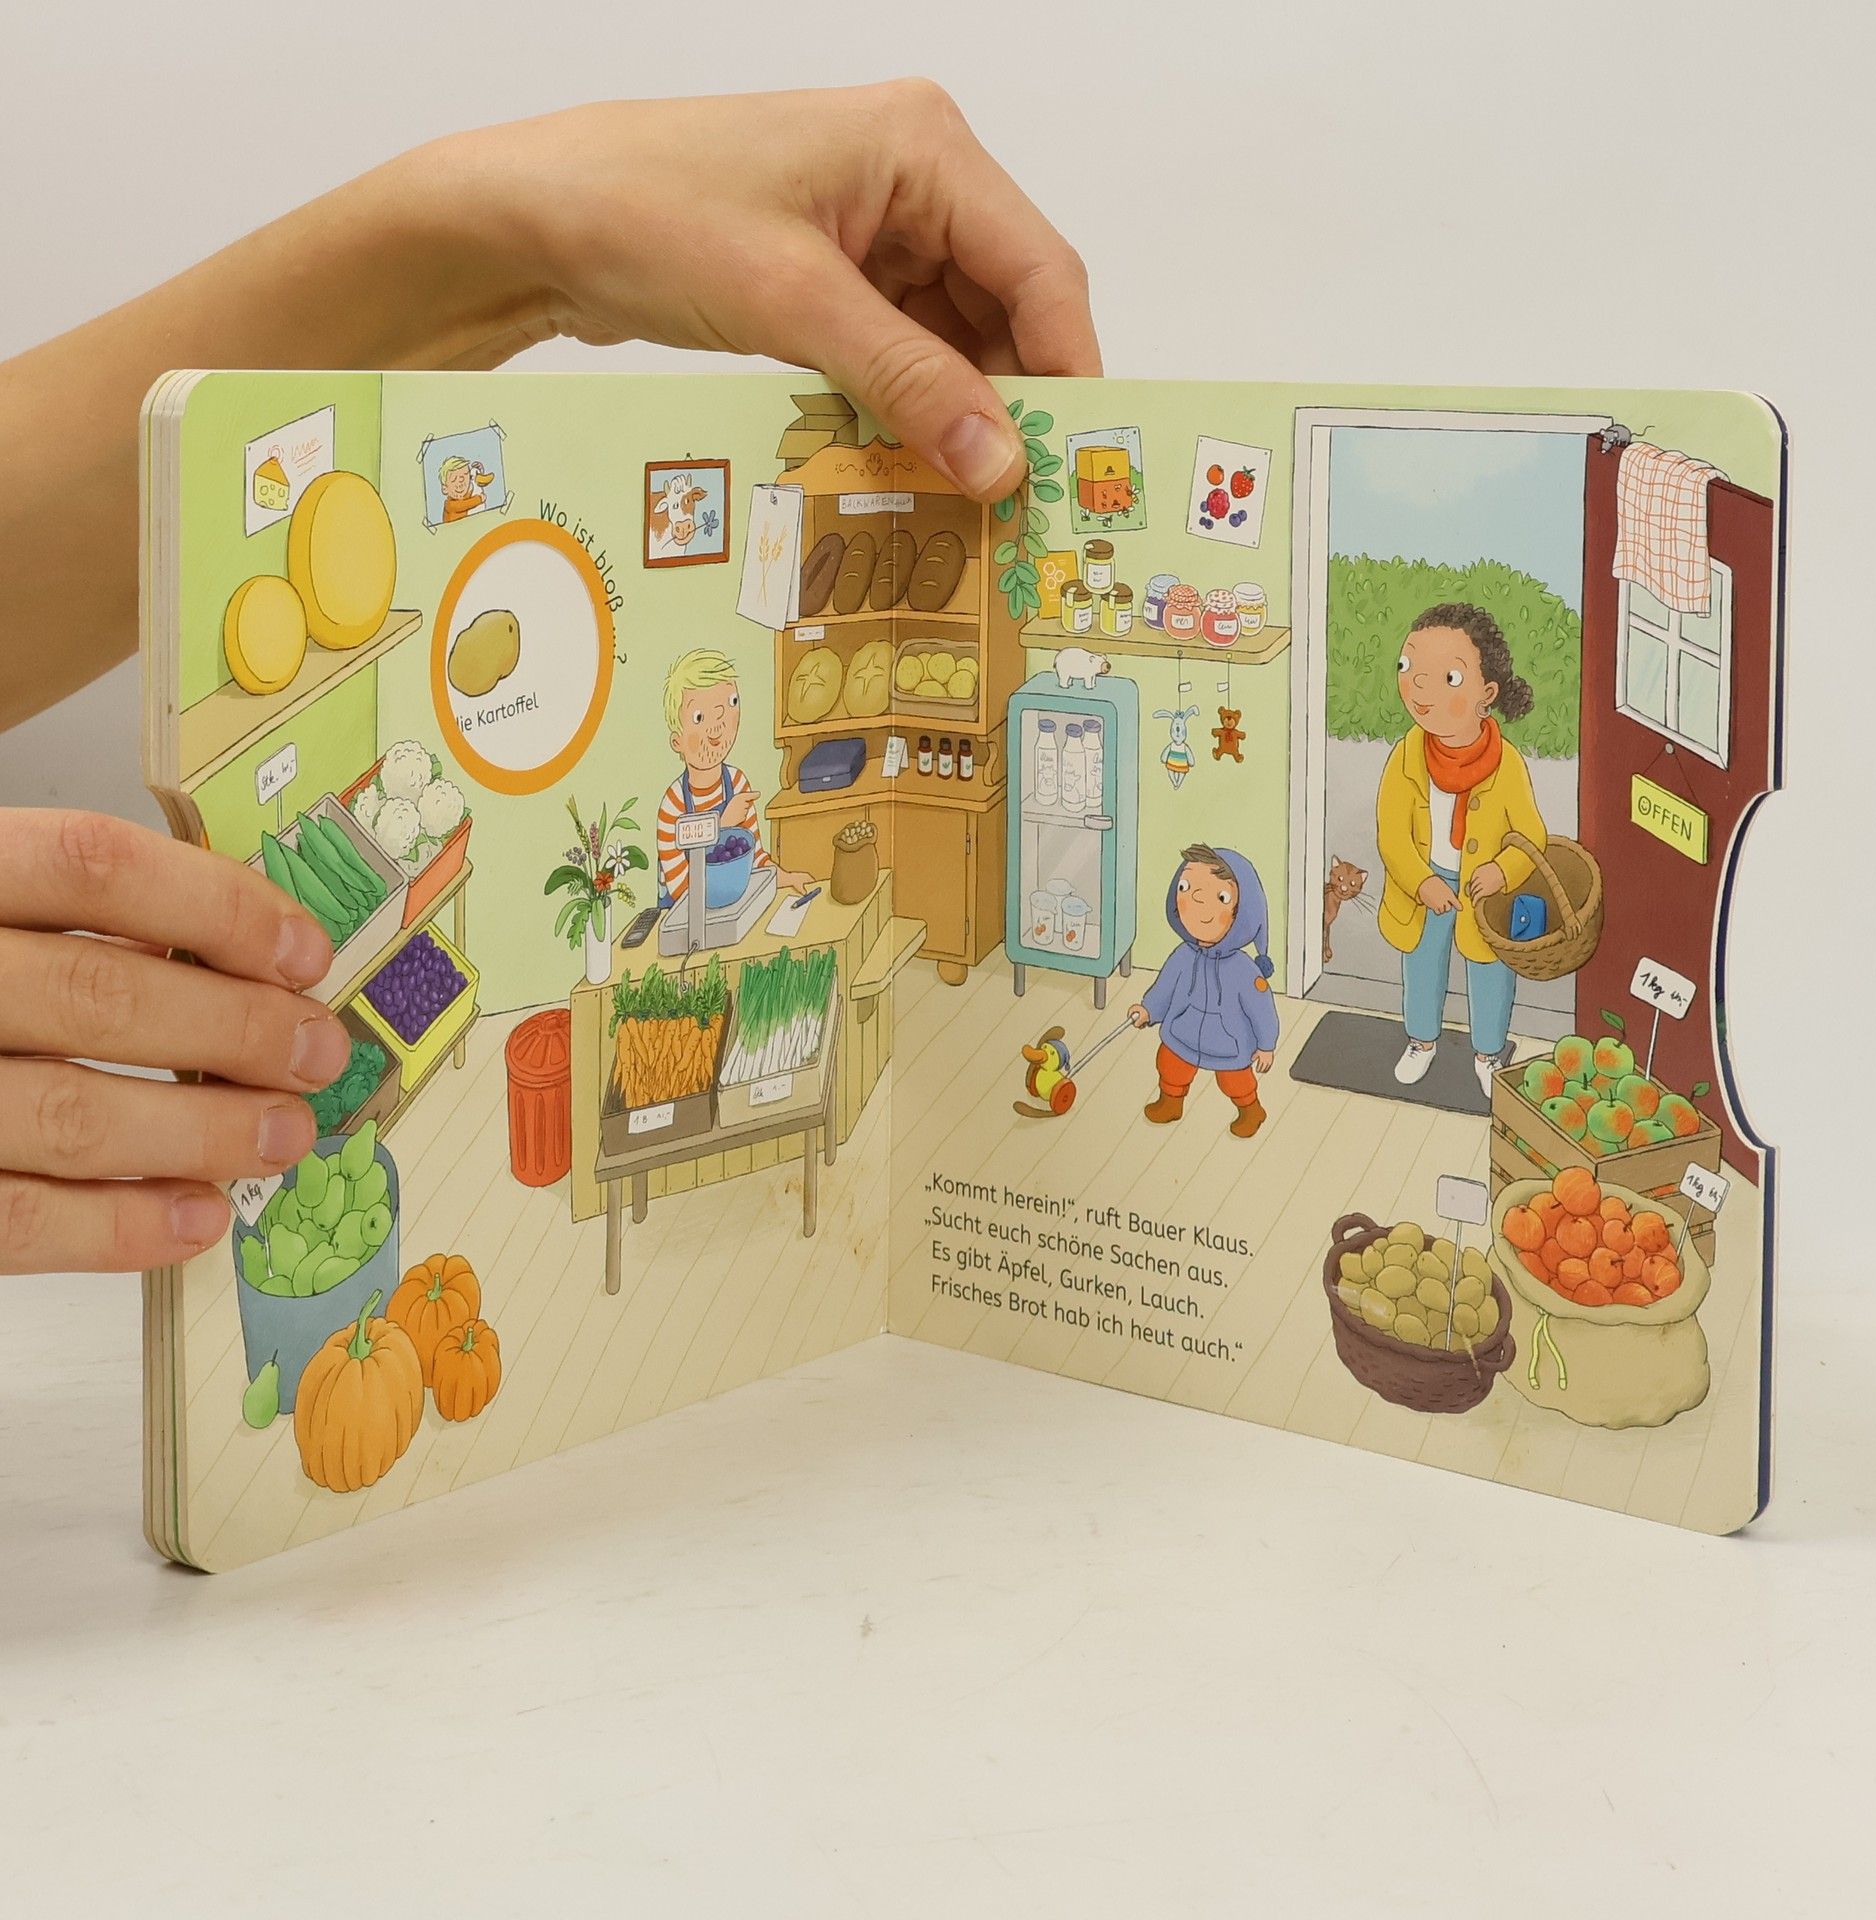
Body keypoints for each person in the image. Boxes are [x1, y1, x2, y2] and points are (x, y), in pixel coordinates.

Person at [0, 83, 1099, 1275]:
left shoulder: (740, 783)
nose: (718, 728)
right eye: (707, 716)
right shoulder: (681, 799)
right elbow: (686, 859)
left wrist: (521, 238)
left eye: (724, 715)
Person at [1375, 603, 1547, 1102]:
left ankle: (1489, 1053)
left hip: (1483, 888)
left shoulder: (1506, 763)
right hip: (1425, 883)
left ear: (1486, 695)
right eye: (1409, 667)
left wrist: (1501, 871)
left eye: (1447, 677)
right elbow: (1391, 834)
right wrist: (1422, 882)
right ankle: (1421, 1041)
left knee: (1490, 969)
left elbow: (1531, 835)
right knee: (1422, 963)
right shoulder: (1406, 755)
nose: (1419, 688)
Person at [1127, 843, 1279, 1139]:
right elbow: (1165, 987)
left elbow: (1262, 1009)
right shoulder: (1183, 956)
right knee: (1170, 1063)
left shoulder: (1244, 970)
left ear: (1243, 911)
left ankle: (1251, 1109)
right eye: (1186, 888)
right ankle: (1171, 1102)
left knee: (1234, 1081)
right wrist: (1148, 1010)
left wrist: (1266, 1045)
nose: (1197, 902)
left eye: (1221, 897)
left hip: (1228, 1042)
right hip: (1183, 1030)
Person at [655, 648, 810, 907]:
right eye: (699, 717)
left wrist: (785, 877)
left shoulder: (737, 783)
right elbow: (682, 889)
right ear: (677, 741)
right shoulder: (673, 805)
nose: (718, 725)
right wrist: (723, 824)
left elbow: (755, 858)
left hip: (736, 903)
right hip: (686, 916)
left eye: (730, 703)